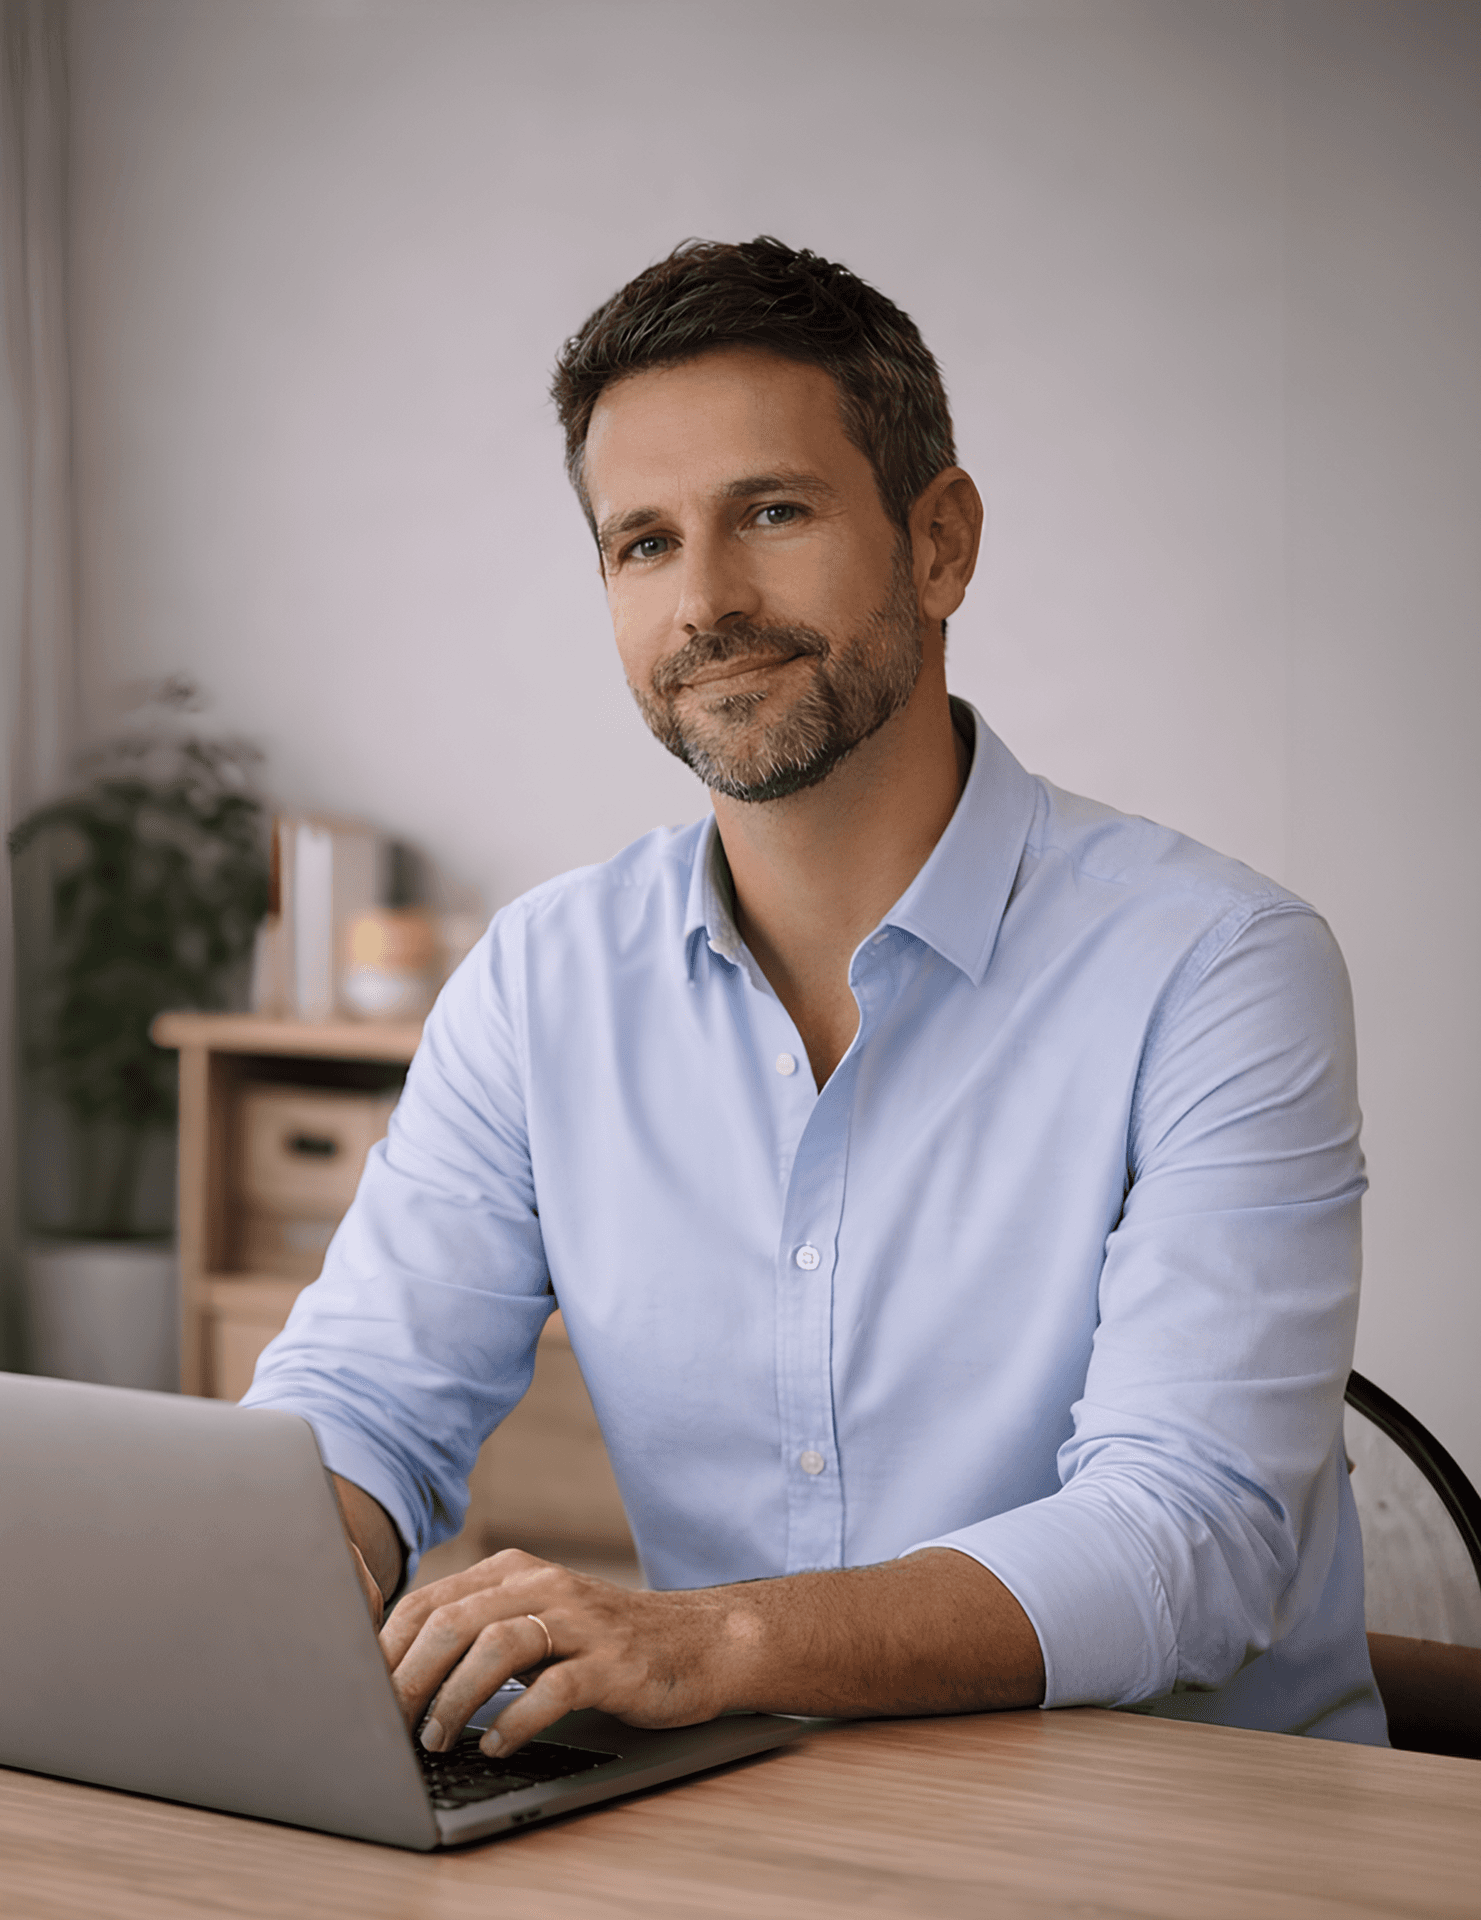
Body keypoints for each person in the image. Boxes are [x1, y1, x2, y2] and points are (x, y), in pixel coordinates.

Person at [246, 237, 1384, 1758]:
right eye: (641, 544)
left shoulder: (1219, 967)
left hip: (1185, 1837)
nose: (705, 603)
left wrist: (714, 1636)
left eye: (770, 513)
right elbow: (362, 1398)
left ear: (941, 543)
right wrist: (291, 1560)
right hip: (759, 1825)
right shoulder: (540, 981)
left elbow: (1192, 1534)